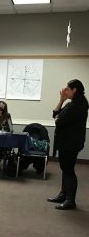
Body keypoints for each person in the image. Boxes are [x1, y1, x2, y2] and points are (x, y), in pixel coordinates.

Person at [48, 79, 88, 210]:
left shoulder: (78, 104)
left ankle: (70, 201)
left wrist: (58, 119)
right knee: (65, 168)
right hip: (67, 142)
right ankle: (63, 195)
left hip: (71, 143)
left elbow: (58, 122)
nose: (65, 90)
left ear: (74, 90)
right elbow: (55, 114)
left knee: (69, 170)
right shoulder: (72, 103)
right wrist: (61, 100)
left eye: (67, 88)